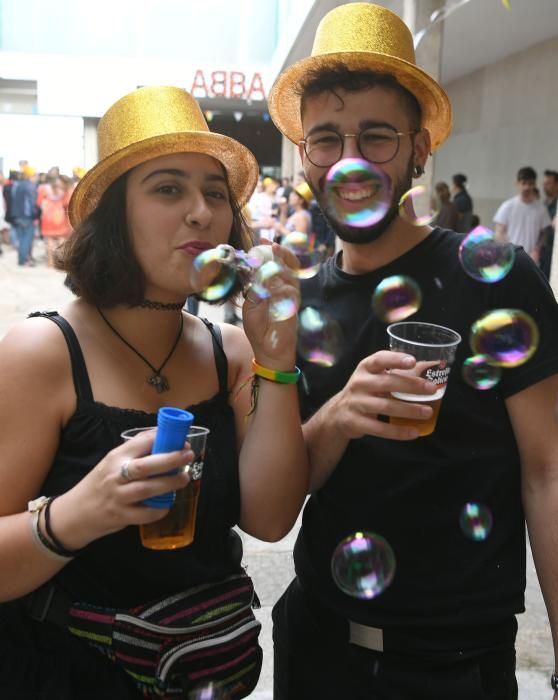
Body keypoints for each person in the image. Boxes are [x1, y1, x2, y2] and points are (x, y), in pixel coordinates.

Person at [267, 4, 558, 699]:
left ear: (420, 148)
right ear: (305, 154)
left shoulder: (495, 276)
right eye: (326, 140)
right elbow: (281, 493)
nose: (350, 161)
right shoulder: (294, 304)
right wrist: (337, 416)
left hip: (456, 662)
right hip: (316, 644)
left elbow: (549, 472)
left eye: (377, 137)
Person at [0, 85, 309, 699]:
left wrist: (277, 359)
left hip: (201, 676)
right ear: (115, 214)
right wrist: (75, 515)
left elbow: (271, 521)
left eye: (215, 193)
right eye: (169, 188)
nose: (202, 212)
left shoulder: (233, 354)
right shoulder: (42, 354)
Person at [493, 166, 552, 266]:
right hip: (510, 259)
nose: (527, 187)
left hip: (531, 261)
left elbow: (544, 233)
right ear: (517, 184)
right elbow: (499, 232)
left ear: (535, 185)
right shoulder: (507, 206)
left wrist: (537, 249)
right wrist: (508, 251)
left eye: (530, 184)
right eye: (523, 183)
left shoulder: (541, 209)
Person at [9, 164, 39, 266]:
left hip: (17, 215)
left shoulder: (17, 185)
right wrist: (35, 214)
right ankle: (24, 260)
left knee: (21, 239)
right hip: (27, 216)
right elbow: (32, 203)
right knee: (26, 239)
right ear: (31, 176)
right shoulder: (30, 186)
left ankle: (21, 259)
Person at [540, 169, 558, 278]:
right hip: (544, 251)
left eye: (548, 183)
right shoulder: (543, 204)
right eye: (544, 184)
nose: (545, 186)